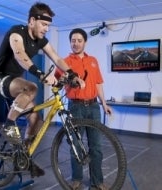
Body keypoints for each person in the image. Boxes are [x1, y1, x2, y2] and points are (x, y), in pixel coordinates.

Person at [0, 3, 84, 177]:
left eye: (49, 25)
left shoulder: (41, 40)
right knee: (31, 87)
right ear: (32, 21)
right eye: (44, 24)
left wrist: (72, 74)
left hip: (14, 83)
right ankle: (9, 125)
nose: (46, 29)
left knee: (36, 119)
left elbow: (56, 57)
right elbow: (19, 54)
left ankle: (23, 156)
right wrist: (40, 74)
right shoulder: (17, 32)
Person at [55, 28, 112, 190]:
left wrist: (104, 103)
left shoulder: (93, 60)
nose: (76, 43)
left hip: (94, 107)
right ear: (70, 42)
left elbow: (98, 83)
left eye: (79, 40)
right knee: (76, 145)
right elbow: (56, 80)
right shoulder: (65, 62)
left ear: (85, 42)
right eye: (73, 40)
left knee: (96, 147)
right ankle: (77, 179)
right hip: (75, 107)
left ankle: (97, 181)